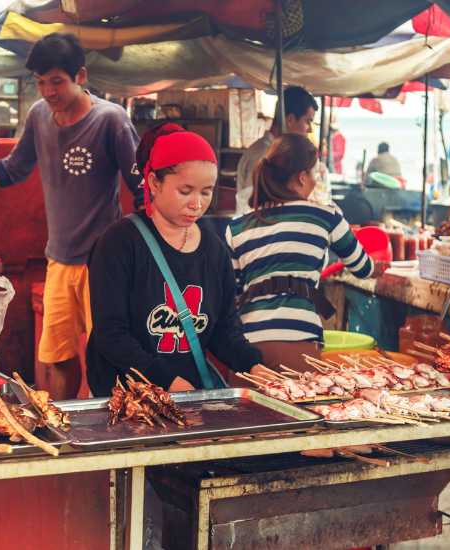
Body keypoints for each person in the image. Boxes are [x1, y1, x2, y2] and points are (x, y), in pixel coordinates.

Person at [0, 33, 141, 400]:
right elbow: (12, 169)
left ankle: (113, 425)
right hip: (59, 260)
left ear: (80, 76)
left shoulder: (111, 120)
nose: (48, 91)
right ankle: (62, 422)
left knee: (109, 357)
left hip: (103, 263)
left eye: (56, 81)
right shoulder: (39, 116)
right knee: (57, 356)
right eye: (41, 82)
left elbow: (141, 186)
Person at [86, 124, 267, 395]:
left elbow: (224, 330)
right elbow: (111, 334)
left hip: (187, 395)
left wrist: (252, 365)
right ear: (154, 183)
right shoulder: (118, 243)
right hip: (125, 396)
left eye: (206, 192)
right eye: (185, 191)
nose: (197, 203)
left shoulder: (215, 251)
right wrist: (165, 380)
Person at [227, 134, 375, 372]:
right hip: (297, 344)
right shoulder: (326, 215)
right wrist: (378, 266)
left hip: (245, 349)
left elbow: (232, 293)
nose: (316, 181)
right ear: (302, 177)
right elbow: (363, 268)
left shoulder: (236, 227)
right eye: (314, 173)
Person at [235, 86, 321, 216]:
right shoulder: (264, 154)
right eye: (307, 121)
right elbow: (252, 204)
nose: (310, 129)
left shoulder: (276, 153)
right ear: (290, 120)